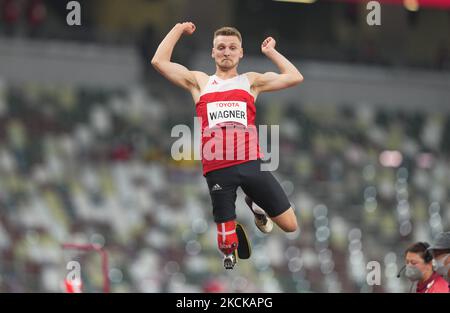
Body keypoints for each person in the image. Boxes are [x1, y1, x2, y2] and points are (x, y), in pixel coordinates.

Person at [151, 22, 303, 268]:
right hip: (218, 167)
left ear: (241, 53)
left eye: (232, 47)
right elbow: (159, 61)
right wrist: (178, 29)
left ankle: (255, 206)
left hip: (251, 162)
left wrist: (271, 52)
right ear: (213, 52)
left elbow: (295, 77)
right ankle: (229, 245)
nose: (226, 52)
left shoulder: (251, 81)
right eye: (220, 47)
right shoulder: (200, 82)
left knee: (290, 225)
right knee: (226, 243)